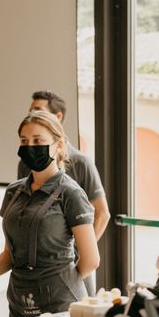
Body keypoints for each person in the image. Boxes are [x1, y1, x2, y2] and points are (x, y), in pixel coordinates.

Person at [0, 111, 100, 317]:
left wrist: (60, 282)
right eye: (24, 141)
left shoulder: (71, 193)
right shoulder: (13, 192)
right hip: (19, 301)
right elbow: (10, 254)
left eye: (38, 140)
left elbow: (91, 260)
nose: (30, 147)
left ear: (59, 145)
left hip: (59, 306)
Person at [20, 90, 110, 295]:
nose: (31, 114)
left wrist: (81, 250)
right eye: (30, 110)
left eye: (38, 110)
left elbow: (102, 213)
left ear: (58, 116)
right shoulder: (24, 164)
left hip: (72, 264)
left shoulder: (81, 163)